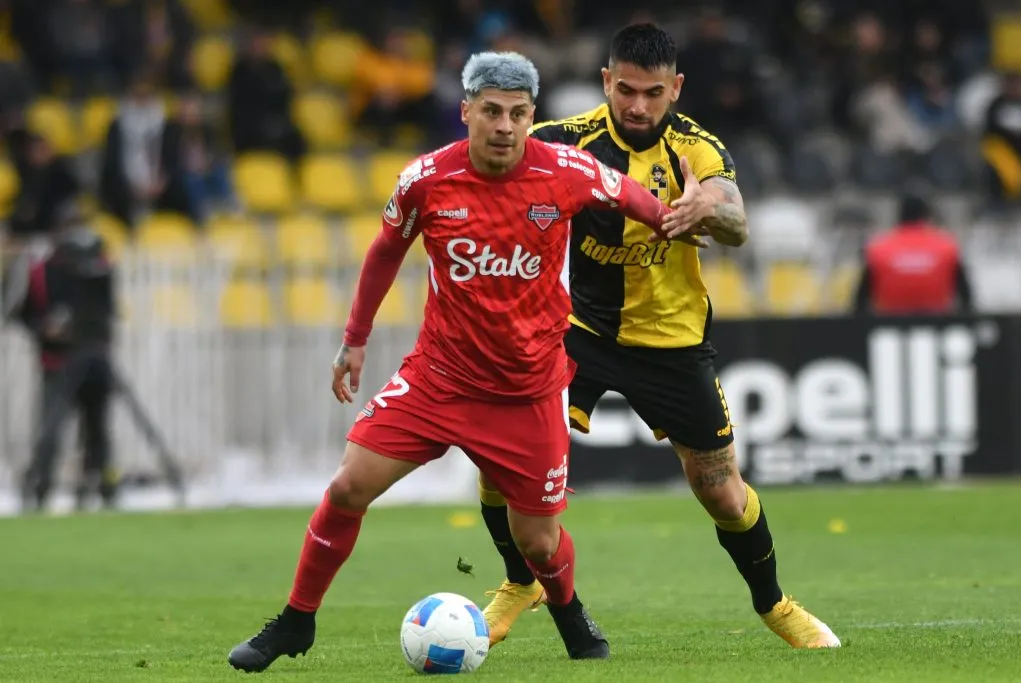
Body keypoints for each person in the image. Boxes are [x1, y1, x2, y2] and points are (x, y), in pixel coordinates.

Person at [227, 50, 683, 673]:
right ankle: (296, 621)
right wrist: (354, 338)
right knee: (347, 487)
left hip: (527, 391)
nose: (504, 126)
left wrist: (673, 218)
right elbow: (385, 251)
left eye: (518, 114)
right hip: (439, 380)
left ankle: (570, 613)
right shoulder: (426, 180)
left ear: (531, 118)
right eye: (491, 111)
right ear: (466, 110)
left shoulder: (568, 173)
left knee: (539, 544)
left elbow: (632, 196)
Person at [476, 23, 841, 650]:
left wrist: (709, 210)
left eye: (651, 93)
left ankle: (774, 604)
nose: (637, 106)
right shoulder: (562, 142)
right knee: (498, 449)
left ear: (675, 88)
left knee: (723, 493)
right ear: (606, 83)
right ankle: (520, 580)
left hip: (671, 343)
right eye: (625, 91)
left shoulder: (695, 147)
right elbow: (495, 181)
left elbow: (736, 220)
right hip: (578, 331)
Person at [13, 205, 118, 512]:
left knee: (96, 429)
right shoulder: (41, 270)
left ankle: (97, 485)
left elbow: (106, 311)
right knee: (50, 430)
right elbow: (23, 314)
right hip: (56, 363)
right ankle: (41, 487)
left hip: (95, 361)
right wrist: (45, 328)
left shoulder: (101, 266)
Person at [853, 187, 973, 315]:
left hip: (889, 322)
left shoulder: (877, 248)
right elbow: (966, 296)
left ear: (899, 215)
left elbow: (860, 300)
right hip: (937, 323)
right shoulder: (947, 246)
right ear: (926, 215)